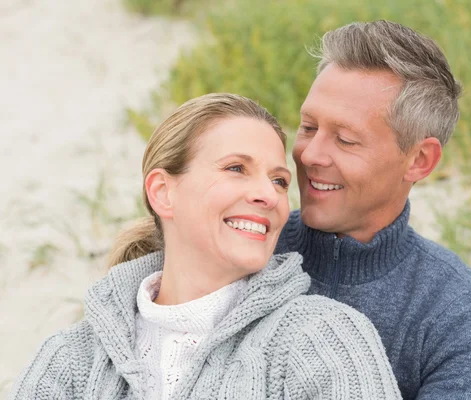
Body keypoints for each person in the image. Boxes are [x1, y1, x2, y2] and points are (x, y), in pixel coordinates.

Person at [10, 94, 402, 399]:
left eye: (280, 181)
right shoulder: (70, 359)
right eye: (236, 169)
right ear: (163, 193)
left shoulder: (321, 337)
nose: (268, 194)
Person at [275, 21, 471, 400]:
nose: (310, 154)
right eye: (308, 126)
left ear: (419, 160)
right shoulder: (243, 247)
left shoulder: (463, 320)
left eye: (345, 139)